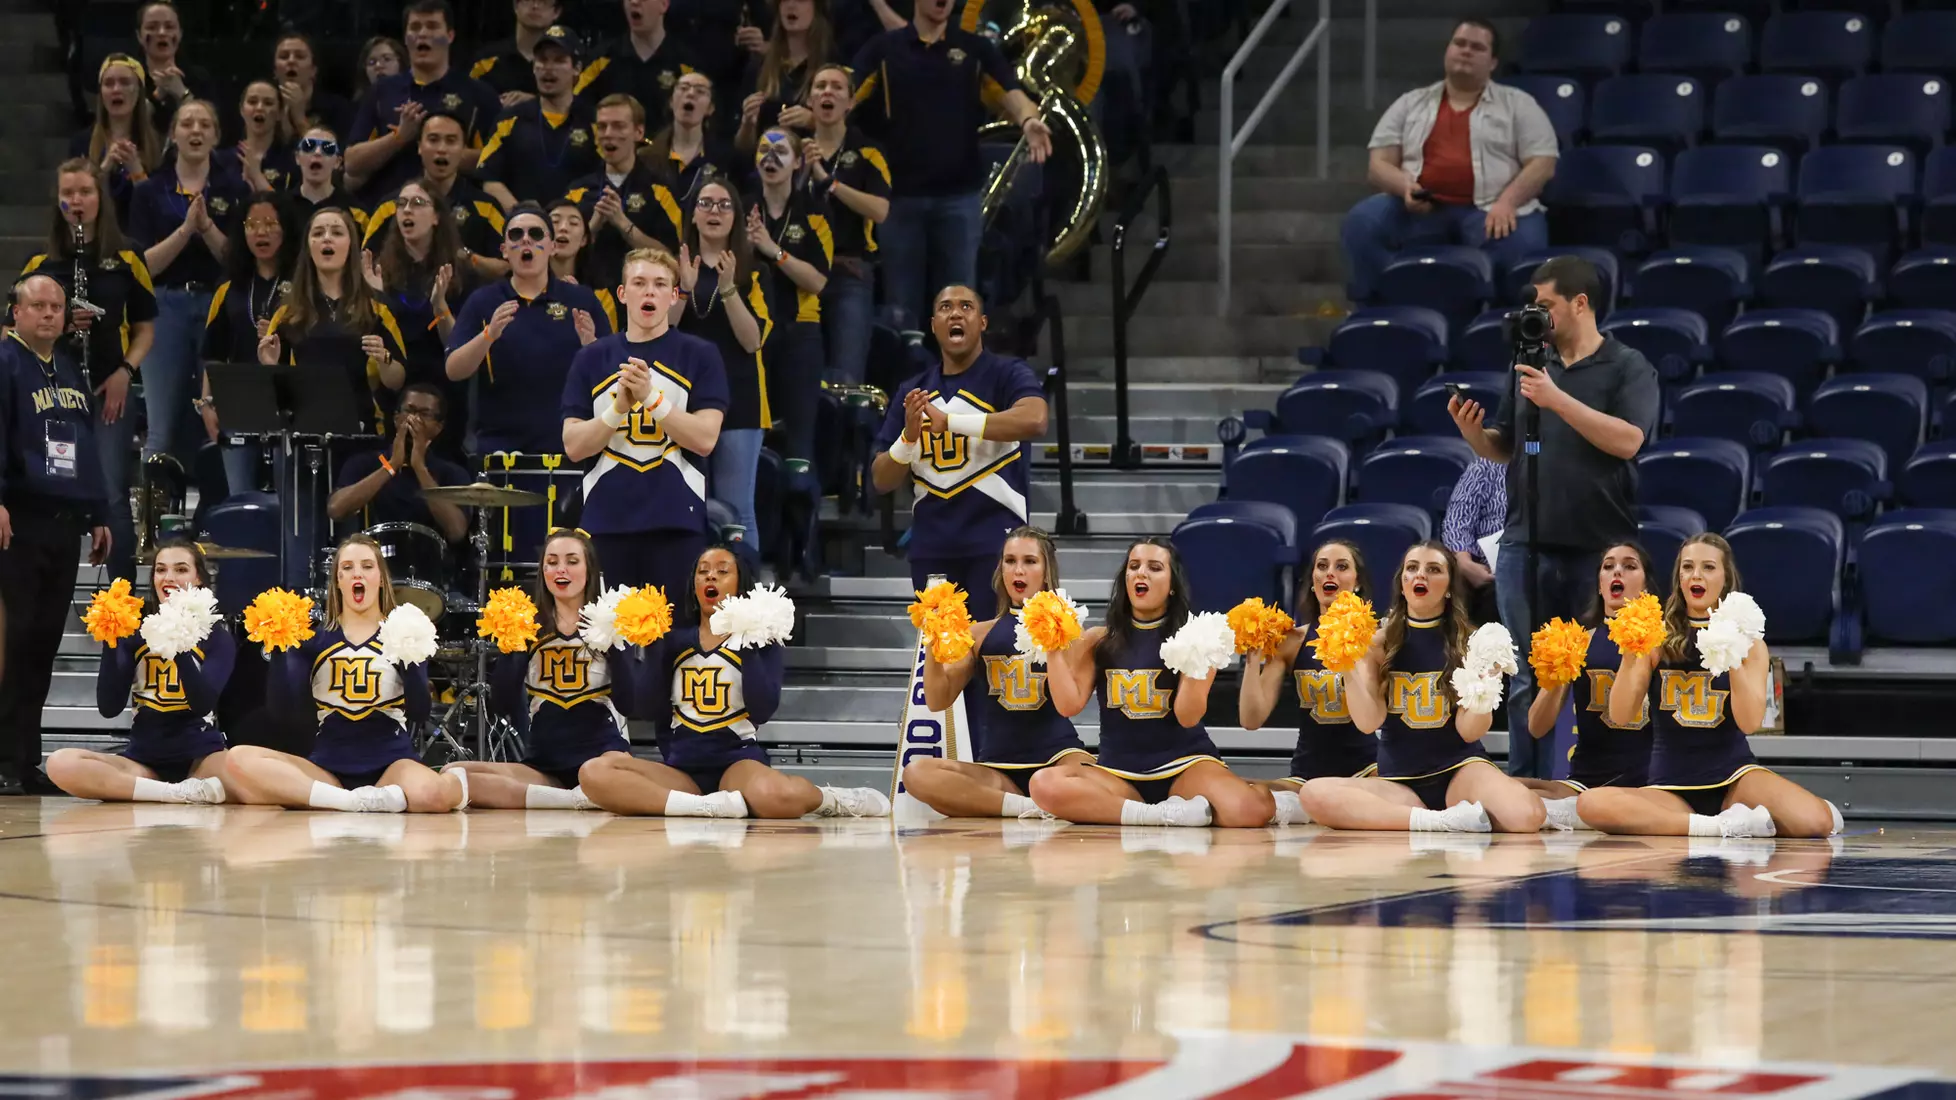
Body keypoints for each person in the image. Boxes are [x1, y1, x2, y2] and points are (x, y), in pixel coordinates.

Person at [1449, 254, 1660, 779]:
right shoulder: (1528, 365)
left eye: (1546, 305)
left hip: (1600, 546)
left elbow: (1629, 440)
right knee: (1527, 673)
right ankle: (1526, 782)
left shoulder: (1627, 365)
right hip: (1526, 539)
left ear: (1580, 304)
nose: (1536, 315)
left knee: (1598, 671)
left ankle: (1602, 778)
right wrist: (1474, 434)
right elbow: (1505, 447)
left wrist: (1557, 398)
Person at [578, 543, 892, 817]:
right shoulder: (674, 641)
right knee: (594, 773)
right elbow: (646, 708)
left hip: (736, 764)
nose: (710, 576)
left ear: (740, 582)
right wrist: (654, 645)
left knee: (778, 798)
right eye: (703, 571)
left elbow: (762, 709)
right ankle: (702, 808)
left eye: (722, 571)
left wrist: (748, 640)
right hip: (681, 771)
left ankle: (833, 800)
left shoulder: (760, 638)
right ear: (694, 584)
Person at [1576, 535, 1840, 840]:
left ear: (1726, 578)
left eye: (1708, 567)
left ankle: (1747, 816)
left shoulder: (1751, 643)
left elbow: (1750, 722)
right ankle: (1719, 827)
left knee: (1817, 823)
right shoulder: (1656, 636)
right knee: (1591, 803)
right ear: (1678, 577)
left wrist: (1734, 655)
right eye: (1687, 567)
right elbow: (1621, 715)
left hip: (1734, 779)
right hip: (1671, 787)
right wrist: (1629, 652)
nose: (1696, 575)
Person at [1298, 541, 1548, 833]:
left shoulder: (1474, 642)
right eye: (1412, 568)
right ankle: (1439, 821)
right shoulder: (1376, 643)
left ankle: (1439, 817)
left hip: (1460, 771)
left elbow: (1470, 731)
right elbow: (1368, 722)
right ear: (1402, 583)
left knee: (1528, 816)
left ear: (1450, 586)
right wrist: (1348, 666)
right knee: (1312, 794)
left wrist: (1487, 683)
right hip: (1399, 782)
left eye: (1433, 570)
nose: (1421, 576)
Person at [1029, 538, 1275, 827]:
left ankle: (1242, 790)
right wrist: (1052, 646)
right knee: (1043, 784)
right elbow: (1068, 705)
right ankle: (1155, 815)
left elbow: (1188, 716)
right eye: (1134, 566)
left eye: (1154, 567)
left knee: (1250, 810)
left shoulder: (1196, 635)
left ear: (1172, 584)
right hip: (1119, 774)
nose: (1140, 573)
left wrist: (1199, 659)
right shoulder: (1099, 640)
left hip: (1183, 767)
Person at [223, 533, 469, 812]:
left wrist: (411, 662)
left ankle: (453, 777)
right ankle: (352, 802)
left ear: (380, 578)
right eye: (347, 568)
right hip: (328, 770)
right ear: (338, 581)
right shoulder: (313, 640)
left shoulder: (403, 632)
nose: (357, 574)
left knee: (433, 796)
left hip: (391, 766)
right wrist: (280, 651)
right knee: (237, 759)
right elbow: (282, 714)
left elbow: (419, 713)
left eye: (367, 566)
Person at [848, 0, 1052, 331]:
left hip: (958, 198)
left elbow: (1011, 92)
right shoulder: (884, 49)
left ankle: (962, 381)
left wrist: (1028, 119)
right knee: (902, 311)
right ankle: (909, 380)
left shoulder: (974, 49)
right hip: (899, 198)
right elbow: (844, 94)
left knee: (959, 307)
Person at [1342, 19, 1557, 304]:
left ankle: (1494, 321)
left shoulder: (1519, 104)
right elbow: (1378, 165)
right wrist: (1405, 187)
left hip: (1490, 208)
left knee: (1523, 246)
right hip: (1422, 209)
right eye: (1459, 44)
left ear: (1492, 63)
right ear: (1448, 51)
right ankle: (1385, 302)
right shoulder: (1411, 102)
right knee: (1362, 222)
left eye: (1477, 47)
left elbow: (1543, 162)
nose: (1466, 51)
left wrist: (1508, 201)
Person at [870, 285, 1047, 621]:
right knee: (941, 664)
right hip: (932, 549)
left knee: (994, 660)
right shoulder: (912, 390)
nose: (955, 313)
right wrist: (907, 440)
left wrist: (951, 422)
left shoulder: (1008, 374)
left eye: (966, 306)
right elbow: (880, 478)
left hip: (998, 546)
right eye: (945, 307)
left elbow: (1035, 419)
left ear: (982, 322)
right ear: (933, 325)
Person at [0, 275, 113, 794]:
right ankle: (4, 759)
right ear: (16, 312)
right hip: (18, 519)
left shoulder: (67, 366)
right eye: (37, 305)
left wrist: (98, 512)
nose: (48, 314)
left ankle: (25, 760)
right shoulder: (6, 361)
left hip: (65, 521)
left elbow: (83, 444)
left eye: (56, 306)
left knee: (43, 643)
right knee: (14, 640)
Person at [20, 159, 157, 583]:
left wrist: (124, 371)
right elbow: (13, 328)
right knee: (52, 492)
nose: (77, 201)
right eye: (69, 193)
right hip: (53, 394)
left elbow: (145, 328)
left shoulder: (127, 256)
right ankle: (49, 584)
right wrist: (59, 324)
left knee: (112, 494)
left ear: (101, 199)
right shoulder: (41, 262)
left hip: (106, 390)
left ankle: (121, 596)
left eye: (85, 192)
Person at [563, 247, 727, 597]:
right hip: (605, 520)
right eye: (639, 283)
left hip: (677, 521)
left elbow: (705, 438)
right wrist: (617, 409)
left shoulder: (700, 355)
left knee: (672, 640)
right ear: (623, 294)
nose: (649, 291)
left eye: (659, 284)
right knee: (609, 641)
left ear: (673, 296)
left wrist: (651, 398)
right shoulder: (591, 359)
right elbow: (574, 446)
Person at [902, 527, 1092, 819]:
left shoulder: (1072, 632)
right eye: (1010, 560)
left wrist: (1055, 636)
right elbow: (938, 700)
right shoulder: (978, 634)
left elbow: (1071, 704)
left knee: (1098, 780)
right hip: (998, 770)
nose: (1019, 570)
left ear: (1046, 571)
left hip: (1059, 761)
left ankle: (1028, 802)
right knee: (917, 774)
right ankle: (1030, 807)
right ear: (1000, 568)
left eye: (1030, 561)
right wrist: (932, 641)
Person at [448, 529, 641, 808]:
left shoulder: (608, 622)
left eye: (572, 561)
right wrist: (513, 644)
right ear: (543, 571)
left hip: (602, 761)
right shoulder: (528, 625)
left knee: (595, 775)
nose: (561, 569)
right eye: (552, 562)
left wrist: (616, 645)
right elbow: (500, 704)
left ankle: (566, 798)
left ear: (589, 569)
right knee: (455, 774)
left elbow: (629, 704)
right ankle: (572, 800)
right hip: (543, 767)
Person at [48, 538, 230, 803]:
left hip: (201, 761)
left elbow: (203, 704)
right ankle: (176, 794)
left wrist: (176, 644)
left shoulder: (217, 637)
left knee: (245, 767)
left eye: (180, 569)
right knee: (60, 763)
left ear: (199, 577)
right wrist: (112, 638)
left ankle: (165, 792)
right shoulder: (136, 631)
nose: (168, 577)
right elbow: (108, 707)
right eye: (160, 569)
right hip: (145, 761)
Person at [128, 99, 247, 468]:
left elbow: (239, 260)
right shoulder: (149, 190)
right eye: (187, 124)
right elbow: (142, 264)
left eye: (204, 124)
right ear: (173, 134)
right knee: (161, 424)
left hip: (219, 307)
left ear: (216, 135)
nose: (196, 131)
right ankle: (152, 516)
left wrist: (207, 227)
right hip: (164, 307)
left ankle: (230, 511)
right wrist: (186, 230)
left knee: (226, 419)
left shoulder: (234, 188)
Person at [447, 202, 611, 454]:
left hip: (570, 446)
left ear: (552, 247)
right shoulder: (483, 300)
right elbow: (454, 370)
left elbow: (612, 378)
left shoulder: (581, 300)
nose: (526, 241)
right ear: (504, 250)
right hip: (499, 448)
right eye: (515, 235)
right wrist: (488, 335)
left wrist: (590, 345)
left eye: (536, 234)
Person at [1237, 539, 1377, 819]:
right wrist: (1252, 658)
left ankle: (1311, 810)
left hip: (1367, 773)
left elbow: (1370, 719)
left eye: (1341, 567)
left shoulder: (1376, 638)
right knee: (1239, 792)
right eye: (1322, 566)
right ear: (1312, 582)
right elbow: (1251, 720)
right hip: (1306, 777)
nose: (1330, 574)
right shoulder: (1292, 641)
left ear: (1357, 582)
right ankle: (1317, 808)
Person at [1520, 541, 1654, 828]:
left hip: (1650, 781)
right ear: (1599, 585)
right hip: (1586, 781)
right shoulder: (1578, 640)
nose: (1617, 571)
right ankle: (1575, 812)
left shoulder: (1663, 642)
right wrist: (1558, 676)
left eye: (1629, 566)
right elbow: (1536, 726)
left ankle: (1573, 814)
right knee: (1504, 789)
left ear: (1646, 587)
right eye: (1608, 567)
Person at [676, 180, 769, 554]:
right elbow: (660, 329)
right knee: (685, 507)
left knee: (737, 513)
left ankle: (748, 606)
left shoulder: (754, 272)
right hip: (683, 403)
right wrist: (683, 287)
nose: (714, 211)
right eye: (705, 203)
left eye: (724, 205)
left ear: (736, 218)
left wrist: (729, 287)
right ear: (693, 215)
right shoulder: (675, 266)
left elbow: (752, 340)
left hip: (741, 400)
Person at [258, 206, 409, 434]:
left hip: (363, 430)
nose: (326, 238)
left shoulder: (377, 307)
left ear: (351, 245)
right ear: (308, 247)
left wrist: (384, 358)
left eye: (337, 232)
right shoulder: (287, 313)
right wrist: (269, 366)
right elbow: (275, 394)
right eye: (318, 233)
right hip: (305, 432)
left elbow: (397, 381)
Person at [343, 0, 500, 206]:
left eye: (432, 26)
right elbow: (352, 163)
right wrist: (399, 137)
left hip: (456, 214)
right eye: (415, 27)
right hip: (390, 212)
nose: (423, 34)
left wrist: (438, 150)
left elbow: (498, 161)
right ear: (406, 39)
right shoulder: (382, 91)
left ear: (450, 36)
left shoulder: (478, 93)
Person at [367, 178, 469, 458]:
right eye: (401, 204)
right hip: (394, 389)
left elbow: (457, 347)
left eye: (417, 203)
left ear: (437, 217)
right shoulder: (380, 273)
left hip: (444, 392)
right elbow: (371, 339)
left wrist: (439, 306)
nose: (406, 210)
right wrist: (376, 298)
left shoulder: (459, 274)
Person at [748, 127, 830, 468]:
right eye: (764, 149)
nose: (770, 157)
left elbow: (817, 280)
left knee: (799, 444)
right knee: (753, 435)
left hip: (800, 332)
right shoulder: (742, 209)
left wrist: (772, 250)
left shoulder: (814, 213)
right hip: (751, 334)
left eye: (780, 151)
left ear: (798, 162)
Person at [805, 63, 889, 387]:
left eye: (837, 87)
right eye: (820, 86)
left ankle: (850, 434)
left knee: (846, 375)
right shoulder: (791, 148)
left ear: (850, 102)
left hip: (848, 271)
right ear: (810, 99)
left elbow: (880, 210)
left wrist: (830, 183)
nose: (828, 92)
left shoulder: (868, 151)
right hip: (796, 271)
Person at [198, 191, 290, 484]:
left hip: (289, 403)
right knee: (239, 492)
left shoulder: (304, 285)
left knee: (287, 497)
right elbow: (214, 352)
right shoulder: (228, 289)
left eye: (270, 223)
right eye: (252, 224)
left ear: (286, 229)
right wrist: (207, 404)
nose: (261, 232)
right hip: (237, 402)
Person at [361, 113, 508, 279]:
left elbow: (506, 266)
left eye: (451, 141)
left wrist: (464, 256)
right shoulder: (390, 206)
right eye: (433, 139)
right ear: (419, 147)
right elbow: (365, 263)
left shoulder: (486, 207)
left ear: (463, 150)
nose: (442, 149)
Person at [565, 94, 685, 291]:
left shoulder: (661, 191)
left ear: (639, 132)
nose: (608, 133)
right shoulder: (577, 191)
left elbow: (672, 259)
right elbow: (557, 253)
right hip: (586, 297)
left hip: (642, 299)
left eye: (618, 126)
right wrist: (592, 227)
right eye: (602, 126)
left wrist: (624, 224)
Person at [478, 25, 602, 209]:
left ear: (577, 68)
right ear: (534, 67)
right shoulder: (509, 119)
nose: (548, 68)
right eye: (542, 60)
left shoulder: (595, 121)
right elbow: (487, 177)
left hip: (576, 227)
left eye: (559, 60)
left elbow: (606, 178)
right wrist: (523, 214)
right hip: (522, 229)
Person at [328, 382, 470, 540]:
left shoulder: (451, 472)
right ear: (396, 418)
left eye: (424, 414)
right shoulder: (365, 462)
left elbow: (457, 531)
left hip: (430, 561)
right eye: (409, 410)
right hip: (373, 559)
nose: (414, 419)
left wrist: (420, 467)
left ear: (438, 427)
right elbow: (336, 510)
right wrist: (392, 465)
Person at [574, 0, 696, 133]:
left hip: (667, 150)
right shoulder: (602, 58)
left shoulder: (686, 64)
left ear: (664, 5)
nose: (634, 2)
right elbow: (576, 104)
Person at [71, 55, 162, 226]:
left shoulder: (157, 144)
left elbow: (161, 211)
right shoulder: (81, 142)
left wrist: (137, 172)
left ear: (139, 91)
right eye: (109, 83)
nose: (116, 89)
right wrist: (103, 170)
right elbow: (72, 205)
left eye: (125, 82)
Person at [734, 0, 832, 153]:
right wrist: (747, 124)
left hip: (811, 165)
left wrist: (814, 121)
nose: (791, 5)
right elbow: (742, 148)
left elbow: (845, 132)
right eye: (784, 0)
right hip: (766, 166)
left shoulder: (830, 65)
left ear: (816, 8)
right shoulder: (760, 66)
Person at [645, 71, 730, 206]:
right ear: (671, 102)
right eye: (683, 88)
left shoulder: (724, 158)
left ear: (710, 108)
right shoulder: (647, 157)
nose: (690, 94)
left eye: (700, 91)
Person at [134, 1, 218, 134]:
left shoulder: (199, 78)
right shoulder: (130, 79)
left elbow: (211, 132)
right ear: (139, 35)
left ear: (180, 34)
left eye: (169, 27)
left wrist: (182, 93)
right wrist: (157, 96)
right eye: (152, 27)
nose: (162, 33)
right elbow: (127, 128)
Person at [1440, 455, 1505, 625]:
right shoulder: (1485, 466)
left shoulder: (1558, 464)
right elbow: (1457, 520)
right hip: (1489, 577)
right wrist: (1464, 562)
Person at [471, 0, 565, 103]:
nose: (535, 6)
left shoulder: (564, 63)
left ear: (557, 12)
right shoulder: (487, 59)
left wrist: (535, 103)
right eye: (528, 0)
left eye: (543, 2)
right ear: (516, 5)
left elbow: (575, 107)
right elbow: (469, 98)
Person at [273, 32, 355, 141]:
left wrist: (300, 119)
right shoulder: (265, 107)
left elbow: (334, 153)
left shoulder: (338, 109)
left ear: (313, 70)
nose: (291, 60)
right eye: (284, 56)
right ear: (275, 71)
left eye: (300, 56)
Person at [285, 126, 369, 231]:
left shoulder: (357, 214)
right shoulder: (281, 208)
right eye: (309, 145)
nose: (317, 152)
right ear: (297, 158)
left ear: (337, 162)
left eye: (328, 148)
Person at [227, 81, 298, 193]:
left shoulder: (292, 160)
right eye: (252, 102)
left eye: (268, 103)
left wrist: (256, 176)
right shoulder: (223, 160)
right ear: (242, 110)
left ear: (280, 112)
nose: (259, 107)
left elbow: (288, 209)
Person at [354, 36, 407, 102]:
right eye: (372, 62)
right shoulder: (357, 107)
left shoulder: (414, 102)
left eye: (387, 59)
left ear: (401, 63)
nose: (378, 66)